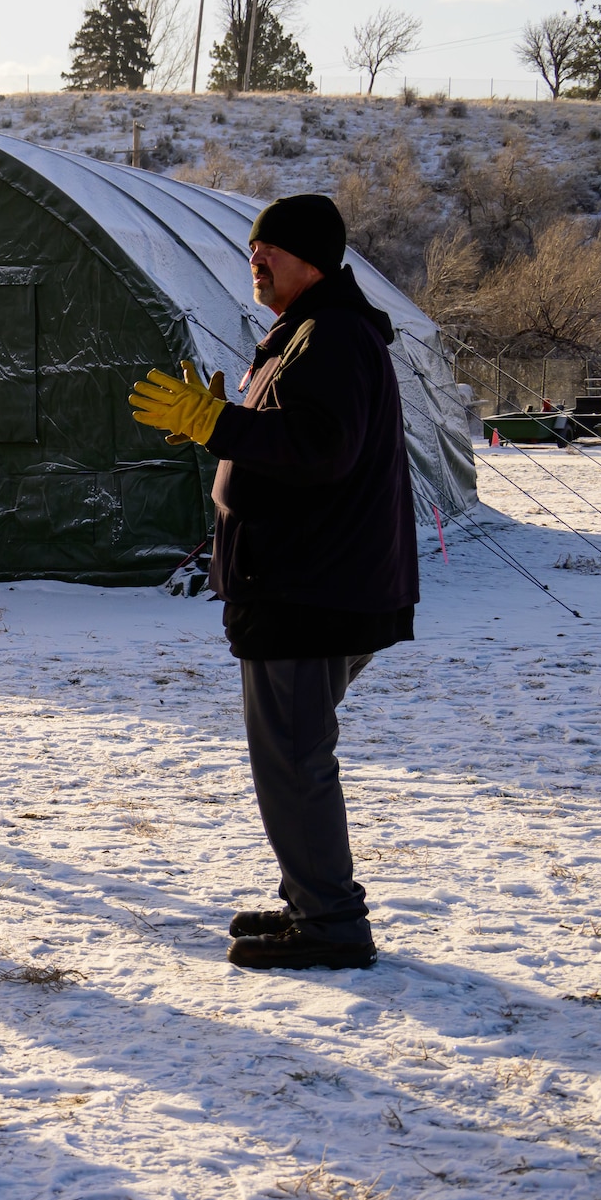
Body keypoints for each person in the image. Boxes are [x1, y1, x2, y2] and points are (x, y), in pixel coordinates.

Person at [128, 193, 416, 972]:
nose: (255, 260)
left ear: (313, 261)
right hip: (312, 580)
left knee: (293, 754)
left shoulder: (332, 336)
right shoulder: (305, 334)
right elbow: (291, 439)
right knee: (293, 750)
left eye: (272, 252)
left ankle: (330, 921)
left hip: (311, 585)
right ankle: (310, 895)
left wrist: (214, 422)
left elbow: (321, 448)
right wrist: (225, 412)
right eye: (252, 249)